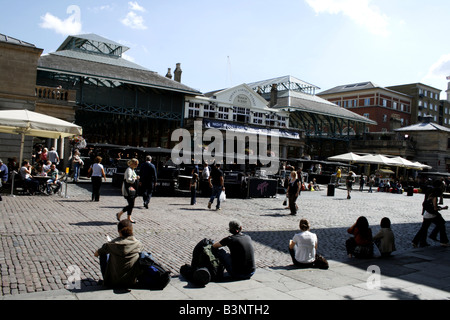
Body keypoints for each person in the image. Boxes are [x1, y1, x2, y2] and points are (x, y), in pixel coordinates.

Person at [94, 219, 144, 288]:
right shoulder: (138, 244)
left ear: (118, 231)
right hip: (131, 282)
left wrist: (107, 245)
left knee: (103, 253)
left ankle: (106, 279)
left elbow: (96, 254)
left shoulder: (112, 244)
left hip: (113, 282)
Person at [412, 180, 449, 248]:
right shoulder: (434, 195)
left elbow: (426, 202)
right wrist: (443, 208)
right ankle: (442, 240)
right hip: (431, 213)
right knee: (441, 224)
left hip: (427, 212)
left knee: (424, 228)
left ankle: (416, 241)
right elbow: (434, 207)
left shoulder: (429, 192)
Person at [117, 159, 140, 224]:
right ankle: (120, 213)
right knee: (131, 204)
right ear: (132, 163)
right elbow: (128, 179)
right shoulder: (129, 170)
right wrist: (135, 178)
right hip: (128, 189)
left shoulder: (132, 170)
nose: (137, 165)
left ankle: (128, 217)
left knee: (131, 204)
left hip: (132, 189)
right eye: (136, 163)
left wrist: (136, 177)